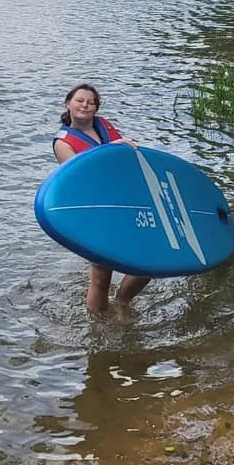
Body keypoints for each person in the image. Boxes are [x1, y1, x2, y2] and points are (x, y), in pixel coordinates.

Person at [53, 83, 150, 314]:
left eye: (91, 102)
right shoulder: (63, 143)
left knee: (147, 261)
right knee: (101, 276)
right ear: (68, 104)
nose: (85, 105)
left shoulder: (103, 124)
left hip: (124, 200)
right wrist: (112, 149)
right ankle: (97, 331)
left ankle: (122, 302)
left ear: (96, 107)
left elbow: (126, 156)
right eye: (80, 100)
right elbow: (82, 177)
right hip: (94, 209)